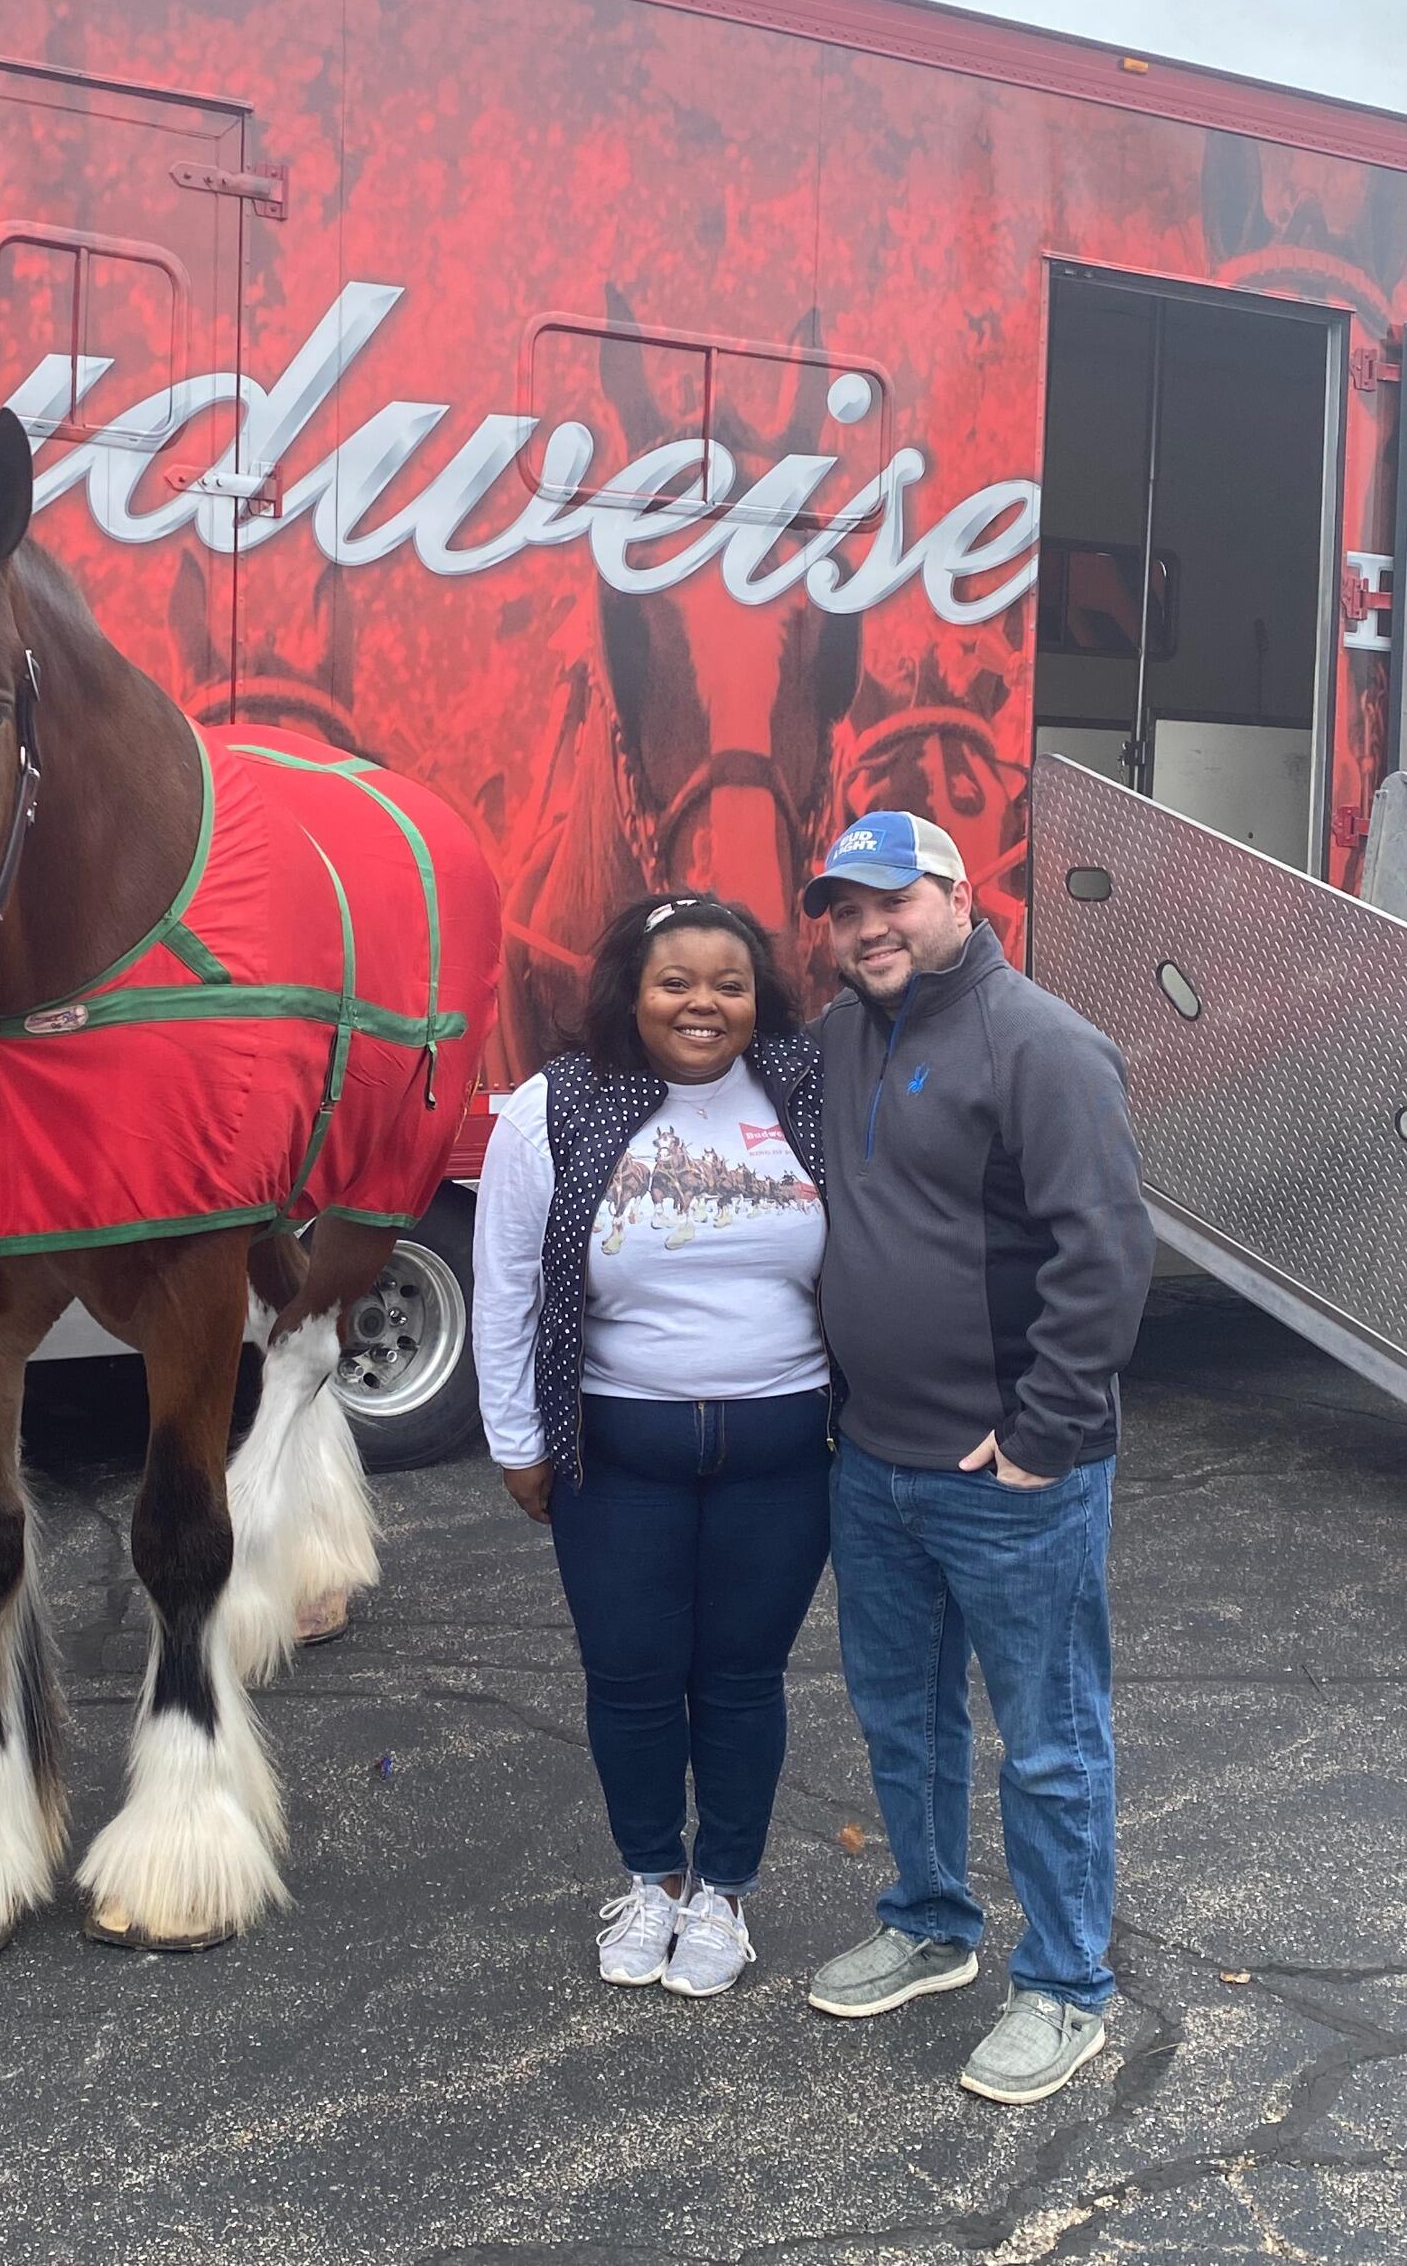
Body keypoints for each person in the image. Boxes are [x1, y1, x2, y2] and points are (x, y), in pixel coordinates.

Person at [800, 812, 1155, 2105]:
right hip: (874, 1464)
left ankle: (1063, 1988)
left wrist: (1040, 1441)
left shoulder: (1041, 1046)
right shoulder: (838, 1037)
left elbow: (1103, 1252)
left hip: (1006, 1477)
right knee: (901, 1719)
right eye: (842, 910)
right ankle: (929, 1925)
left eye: (890, 899)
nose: (865, 927)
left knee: (1048, 1742)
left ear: (958, 896)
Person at [473, 893, 830, 1997]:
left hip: (786, 1450)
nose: (703, 1004)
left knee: (740, 1678)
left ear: (758, 994)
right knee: (630, 1681)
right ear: (631, 987)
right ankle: (650, 1882)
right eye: (676, 980)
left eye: (729, 981)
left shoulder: (804, 1088)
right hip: (618, 1454)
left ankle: (723, 1891)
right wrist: (518, 1441)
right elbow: (508, 1286)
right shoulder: (558, 1107)